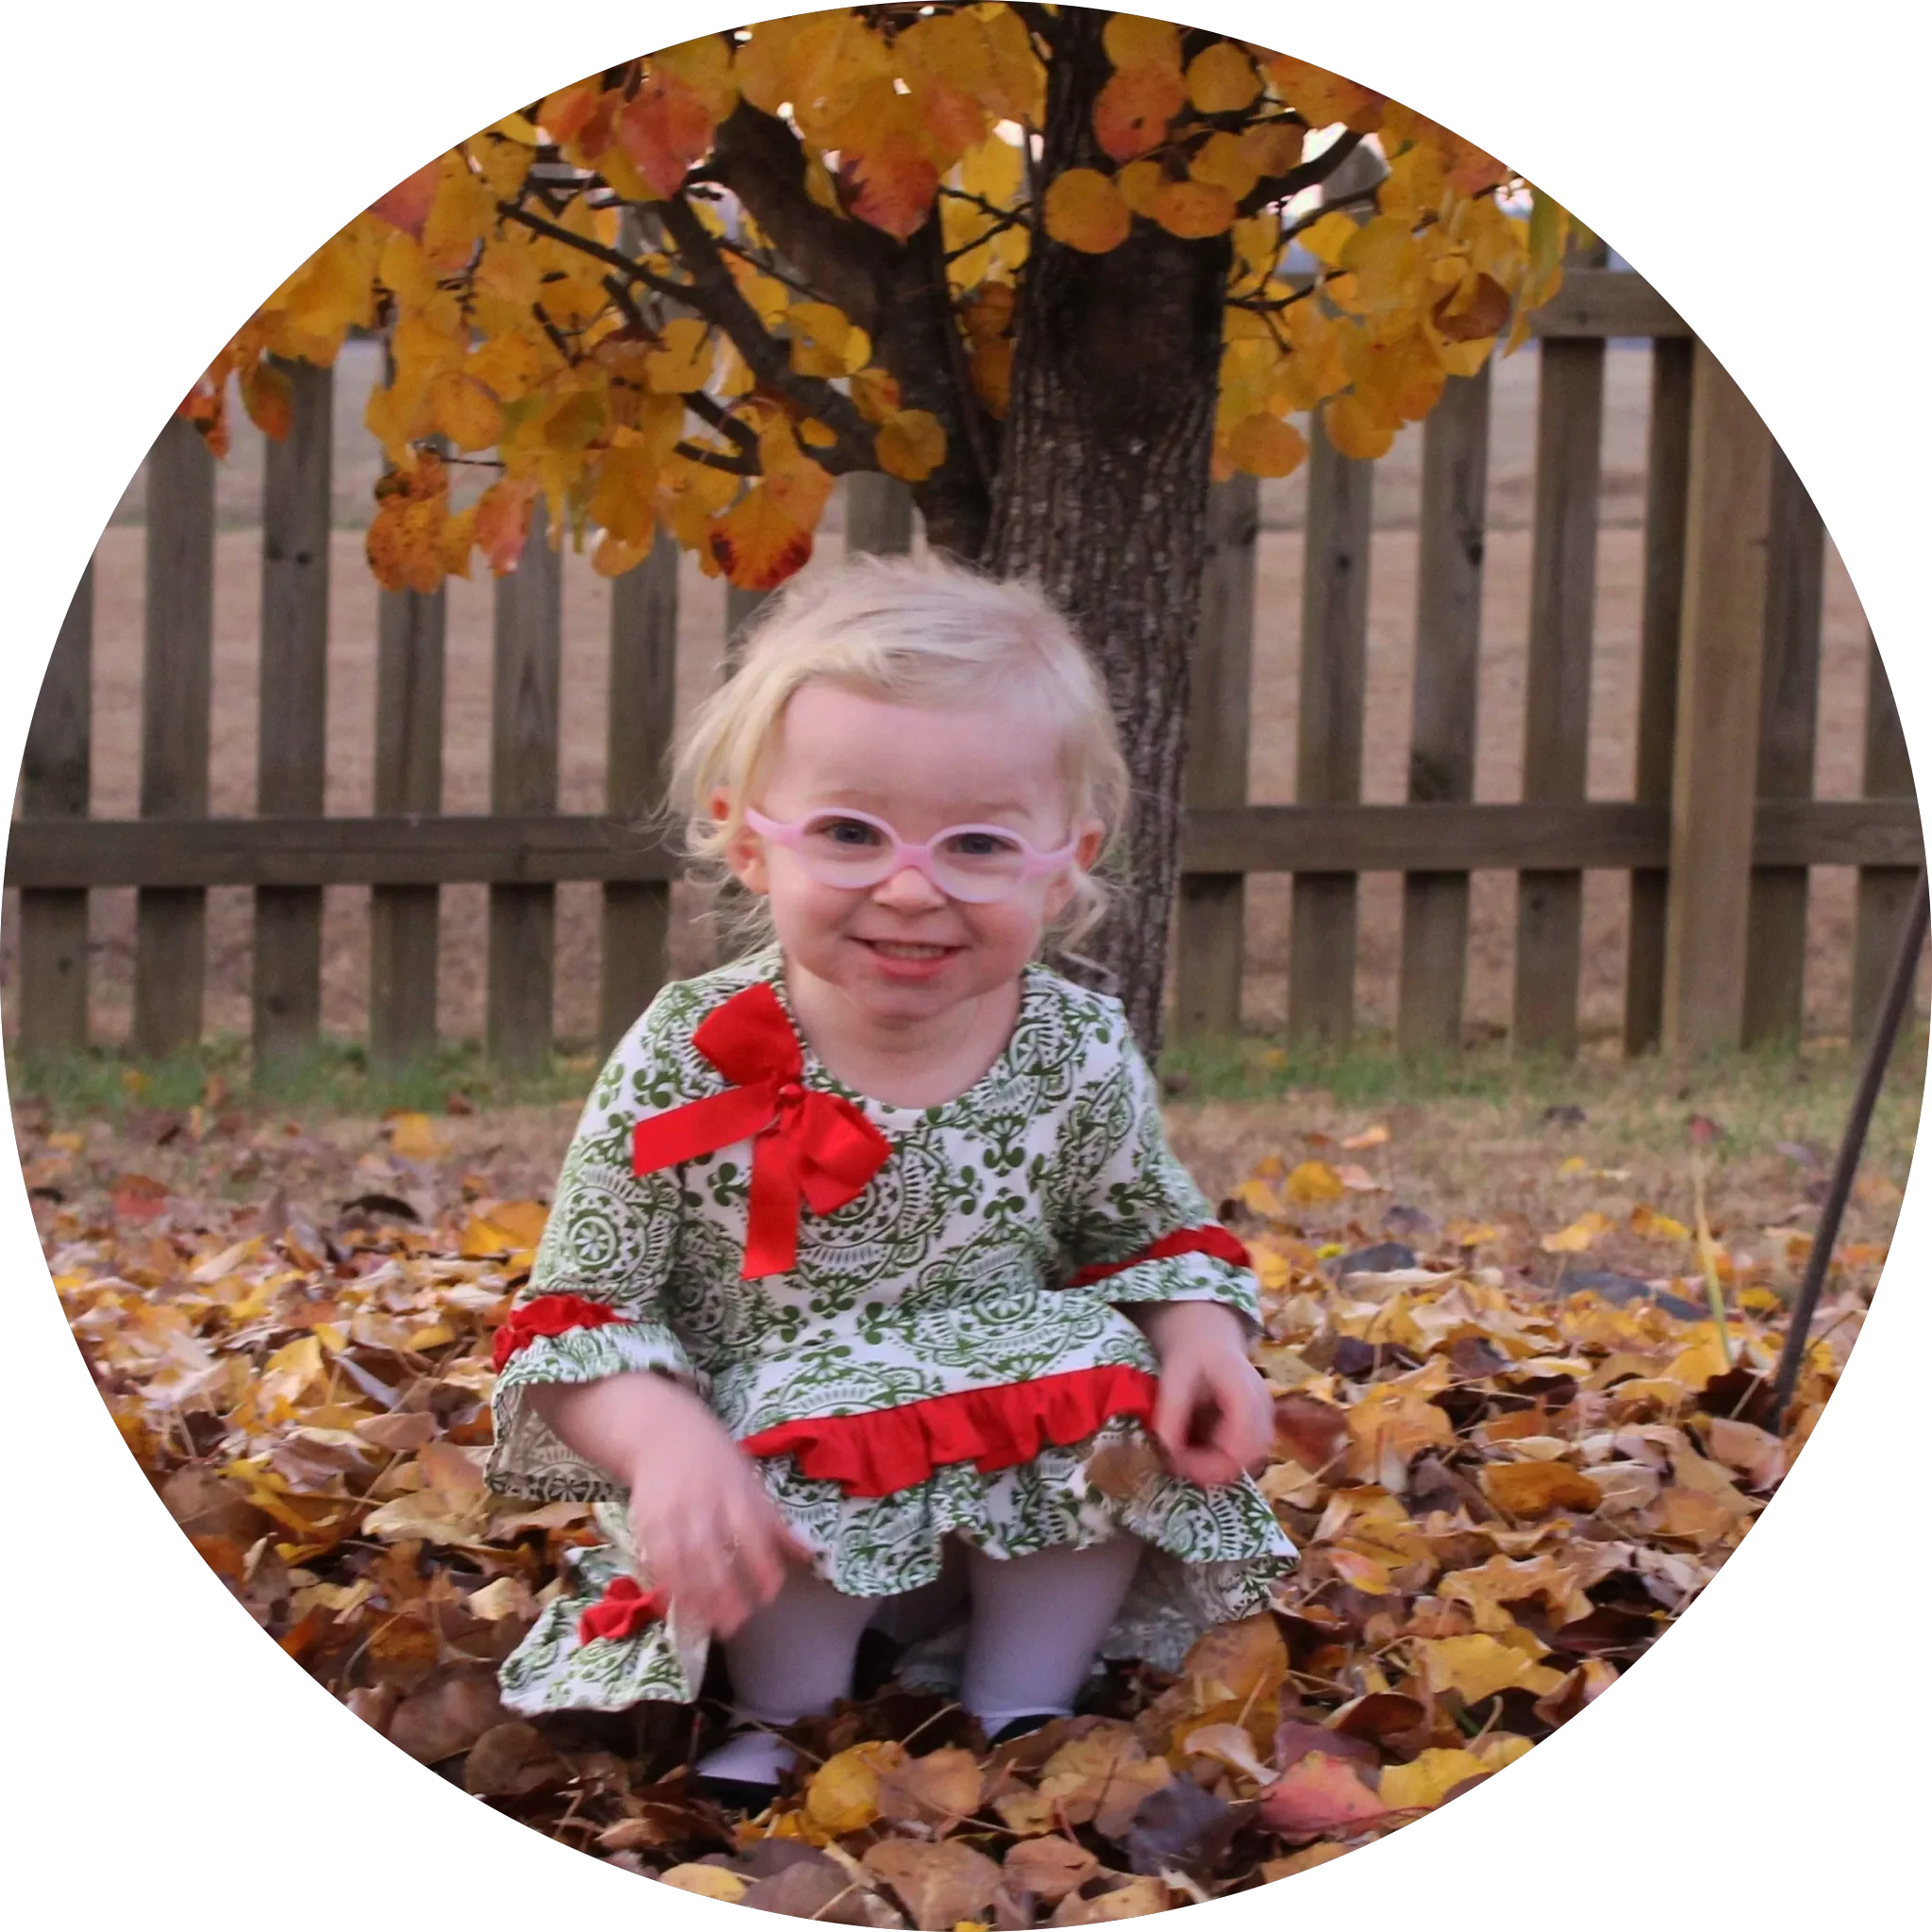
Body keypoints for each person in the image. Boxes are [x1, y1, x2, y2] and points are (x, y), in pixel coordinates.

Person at [483, 549, 1296, 1810]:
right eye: (850, 833)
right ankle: (784, 1720)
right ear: (745, 837)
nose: (911, 889)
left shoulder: (1072, 1047)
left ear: (1063, 863)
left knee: (1100, 1352)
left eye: (978, 845)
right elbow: (579, 1318)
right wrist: (666, 1449)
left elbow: (1147, 1230)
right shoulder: (691, 1056)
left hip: (1006, 1523)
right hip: (762, 1524)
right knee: (795, 1405)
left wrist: (1200, 1335)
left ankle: (1023, 1699)